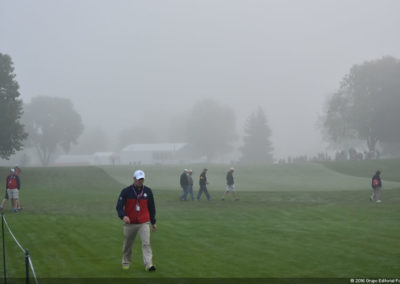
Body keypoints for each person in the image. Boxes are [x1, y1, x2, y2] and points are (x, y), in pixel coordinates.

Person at [116, 170, 157, 271]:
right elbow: (119, 207)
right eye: (138, 179)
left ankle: (149, 265)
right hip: (130, 223)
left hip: (144, 222)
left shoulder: (148, 191)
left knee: (146, 243)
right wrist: (123, 216)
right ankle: (126, 262)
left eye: (142, 179)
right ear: (134, 179)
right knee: (128, 245)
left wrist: (153, 222)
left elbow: (152, 208)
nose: (140, 181)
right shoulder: (126, 191)